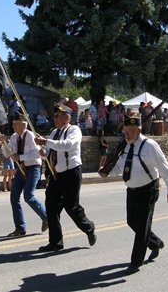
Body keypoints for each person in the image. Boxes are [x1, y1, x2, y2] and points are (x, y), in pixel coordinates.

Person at [98, 115, 168, 275]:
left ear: (139, 130)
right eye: (125, 131)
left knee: (141, 226)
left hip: (148, 190)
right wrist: (108, 172)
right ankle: (155, 243)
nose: (126, 134)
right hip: (132, 190)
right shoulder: (126, 146)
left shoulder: (150, 146)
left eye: (129, 132)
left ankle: (136, 262)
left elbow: (164, 168)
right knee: (131, 222)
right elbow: (121, 166)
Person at [34, 105, 97, 251]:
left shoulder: (74, 130)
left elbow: (67, 145)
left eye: (58, 116)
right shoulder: (54, 133)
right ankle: (56, 242)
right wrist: (43, 152)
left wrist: (46, 143)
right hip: (55, 174)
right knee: (51, 208)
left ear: (67, 117)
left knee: (71, 207)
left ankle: (89, 227)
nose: (54, 118)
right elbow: (50, 151)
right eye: (54, 116)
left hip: (70, 173)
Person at [0, 112, 48, 237]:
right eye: (13, 124)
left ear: (23, 125)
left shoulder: (31, 136)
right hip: (21, 169)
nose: (13, 126)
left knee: (28, 196)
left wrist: (20, 157)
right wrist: (3, 143)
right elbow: (7, 154)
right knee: (14, 196)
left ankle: (46, 216)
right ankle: (20, 227)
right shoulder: (14, 137)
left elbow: (37, 154)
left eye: (16, 124)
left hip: (33, 168)